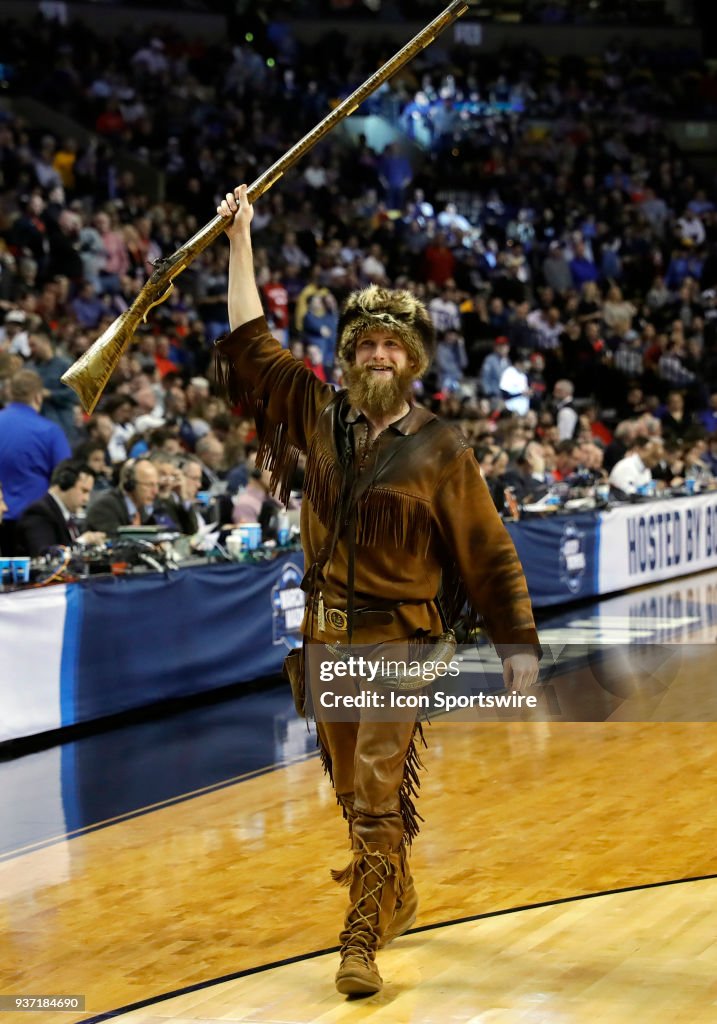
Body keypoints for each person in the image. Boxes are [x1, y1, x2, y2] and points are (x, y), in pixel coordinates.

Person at [213, 185, 540, 998]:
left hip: (398, 640)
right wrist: (241, 236)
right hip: (324, 635)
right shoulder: (319, 418)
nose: (378, 356)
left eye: (393, 347)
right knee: (353, 779)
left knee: (373, 788)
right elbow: (252, 345)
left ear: (413, 361)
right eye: (365, 346)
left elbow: (488, 552)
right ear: (350, 356)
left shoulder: (439, 448)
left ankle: (360, 939)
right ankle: (391, 884)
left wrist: (517, 643)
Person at [0, 369, 72, 554]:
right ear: (38, 397)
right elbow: (65, 476)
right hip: (36, 526)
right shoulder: (49, 431)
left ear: (9, 393)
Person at [16, 460, 106, 555]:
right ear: (65, 483)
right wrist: (83, 542)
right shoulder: (38, 512)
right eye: (84, 491)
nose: (86, 499)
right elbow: (43, 554)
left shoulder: (67, 514)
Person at [85, 458, 159, 535]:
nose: (155, 491)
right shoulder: (105, 507)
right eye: (149, 485)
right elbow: (117, 542)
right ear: (130, 484)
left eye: (157, 485)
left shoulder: (142, 510)